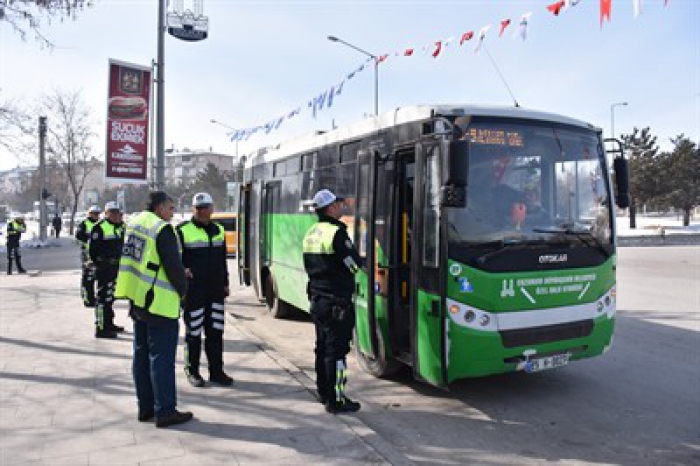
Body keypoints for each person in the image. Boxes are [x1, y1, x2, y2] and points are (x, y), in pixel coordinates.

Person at [115, 191, 193, 428]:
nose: (172, 213)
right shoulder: (162, 229)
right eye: (170, 208)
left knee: (141, 356)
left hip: (138, 299)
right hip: (159, 303)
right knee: (161, 359)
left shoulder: (135, 223)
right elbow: (173, 266)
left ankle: (145, 408)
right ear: (160, 208)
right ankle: (166, 411)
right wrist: (184, 290)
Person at [302, 189, 363, 414]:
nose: (340, 206)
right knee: (337, 352)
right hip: (337, 301)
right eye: (337, 204)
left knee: (322, 348)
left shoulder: (311, 232)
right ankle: (336, 400)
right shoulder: (336, 233)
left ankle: (323, 391)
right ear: (330, 208)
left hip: (318, 299)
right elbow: (354, 265)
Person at [176, 192, 233, 388]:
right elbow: (176, 261)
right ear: (194, 209)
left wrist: (225, 283)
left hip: (216, 290)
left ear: (212, 208)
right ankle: (192, 371)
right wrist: (182, 274)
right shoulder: (182, 230)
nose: (203, 211)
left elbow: (223, 260)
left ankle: (216, 372)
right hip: (194, 292)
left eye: (206, 207)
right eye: (199, 208)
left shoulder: (218, 229)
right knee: (193, 333)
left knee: (216, 332)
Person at [89, 201, 125, 338]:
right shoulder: (99, 227)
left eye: (118, 212)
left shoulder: (121, 227)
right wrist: (102, 263)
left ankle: (109, 323)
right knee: (103, 298)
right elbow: (93, 251)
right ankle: (101, 328)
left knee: (110, 298)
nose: (116, 215)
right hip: (105, 268)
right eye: (113, 212)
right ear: (106, 213)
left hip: (116, 268)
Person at [76, 205, 102, 307]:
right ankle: (88, 299)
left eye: (97, 214)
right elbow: (78, 237)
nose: (96, 216)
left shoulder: (100, 224)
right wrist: (88, 241)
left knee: (96, 277)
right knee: (88, 277)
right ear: (89, 214)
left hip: (96, 254)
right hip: (87, 254)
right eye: (94, 214)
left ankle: (92, 297)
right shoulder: (84, 224)